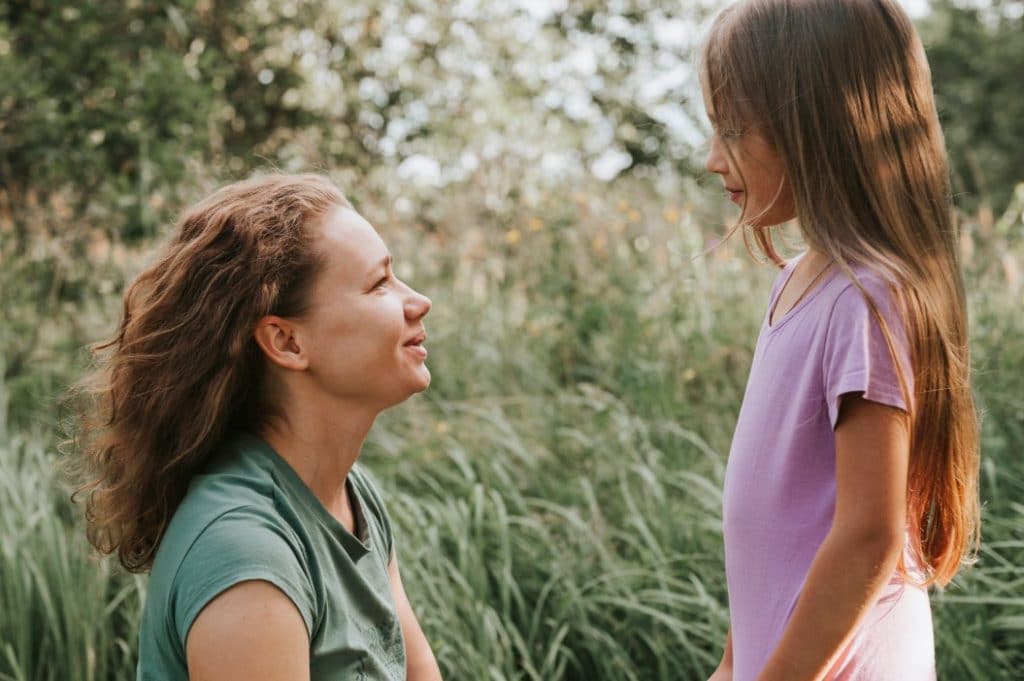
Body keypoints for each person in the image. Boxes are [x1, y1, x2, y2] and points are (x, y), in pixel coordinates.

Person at [699, 1, 980, 680]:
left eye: (734, 128)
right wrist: (735, 662)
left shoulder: (866, 298)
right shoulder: (796, 284)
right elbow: (773, 542)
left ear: (817, 128)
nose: (713, 159)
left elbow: (866, 536)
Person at [74, 173, 443, 680]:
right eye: (379, 284)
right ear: (286, 342)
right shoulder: (246, 555)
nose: (418, 301)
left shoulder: (351, 496)